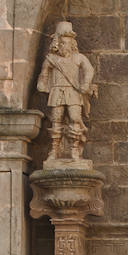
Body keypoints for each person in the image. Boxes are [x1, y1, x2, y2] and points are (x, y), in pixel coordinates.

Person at [36, 21, 97, 161]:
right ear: (57, 44)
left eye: (67, 43)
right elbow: (44, 73)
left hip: (73, 91)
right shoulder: (51, 59)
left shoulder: (79, 58)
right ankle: (54, 150)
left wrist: (85, 83)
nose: (65, 46)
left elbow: (89, 70)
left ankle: (74, 150)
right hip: (57, 90)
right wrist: (42, 82)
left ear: (72, 44)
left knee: (75, 118)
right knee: (56, 119)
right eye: (62, 43)